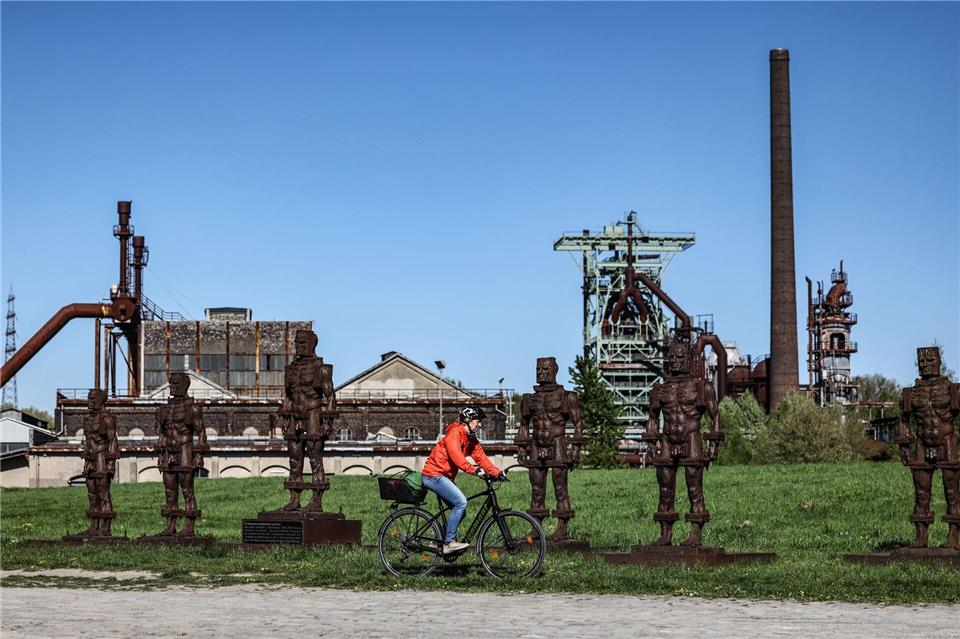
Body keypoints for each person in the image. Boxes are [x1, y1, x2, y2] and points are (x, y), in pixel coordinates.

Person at [421, 406, 505, 554]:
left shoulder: (470, 438)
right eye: (477, 421)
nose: (480, 424)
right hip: (433, 475)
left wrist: (497, 473)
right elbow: (458, 459)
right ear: (467, 420)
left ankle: (436, 542)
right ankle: (449, 543)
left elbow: (481, 458)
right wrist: (475, 470)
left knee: (460, 510)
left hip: (444, 476)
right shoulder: (454, 434)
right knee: (461, 502)